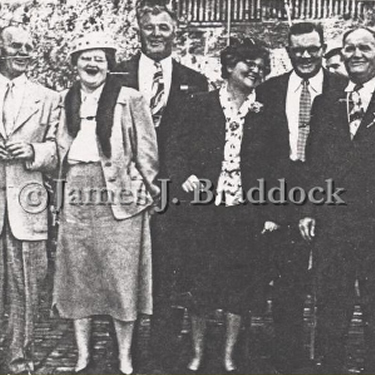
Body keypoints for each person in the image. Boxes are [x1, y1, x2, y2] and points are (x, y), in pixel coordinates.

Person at [52, 32, 159, 375]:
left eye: (99, 58)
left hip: (120, 197)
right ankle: (83, 356)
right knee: (77, 278)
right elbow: (55, 151)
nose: (92, 64)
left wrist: (152, 192)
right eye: (85, 57)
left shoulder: (129, 98)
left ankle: (125, 358)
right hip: (76, 195)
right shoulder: (63, 99)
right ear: (75, 64)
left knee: (121, 279)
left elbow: (147, 152)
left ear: (109, 64)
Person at [114, 1, 208, 371]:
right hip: (126, 192)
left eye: (163, 27)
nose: (156, 33)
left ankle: (164, 355)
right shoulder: (116, 75)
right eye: (149, 26)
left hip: (173, 197)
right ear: (138, 29)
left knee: (169, 276)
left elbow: (198, 142)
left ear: (175, 31)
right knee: (126, 276)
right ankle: (127, 354)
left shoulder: (194, 81)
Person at [255, 22, 347, 374]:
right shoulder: (269, 91)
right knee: (287, 280)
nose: (305, 56)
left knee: (332, 280)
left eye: (313, 49)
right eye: (298, 49)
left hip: (330, 188)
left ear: (323, 49)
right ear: (288, 50)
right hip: (285, 192)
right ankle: (289, 360)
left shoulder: (343, 88)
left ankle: (328, 359)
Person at [180, 38, 274, 374]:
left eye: (261, 65)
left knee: (240, 286)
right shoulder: (200, 105)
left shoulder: (266, 113)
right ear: (230, 65)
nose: (255, 70)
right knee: (200, 285)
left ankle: (229, 355)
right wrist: (186, 176)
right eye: (248, 63)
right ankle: (196, 353)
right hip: (205, 209)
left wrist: (270, 213)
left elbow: (275, 166)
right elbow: (177, 150)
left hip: (244, 211)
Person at [299, 26, 375, 374]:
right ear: (340, 54)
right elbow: (315, 161)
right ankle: (330, 367)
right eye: (349, 48)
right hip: (334, 222)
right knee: (331, 303)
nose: (356, 54)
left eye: (365, 48)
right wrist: (309, 209)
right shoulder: (326, 102)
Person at [0, 26, 60, 375]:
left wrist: (34, 150)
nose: (23, 53)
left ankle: (17, 364)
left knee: (24, 293)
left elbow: (60, 150)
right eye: (15, 46)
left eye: (29, 47)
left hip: (26, 206)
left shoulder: (48, 97)